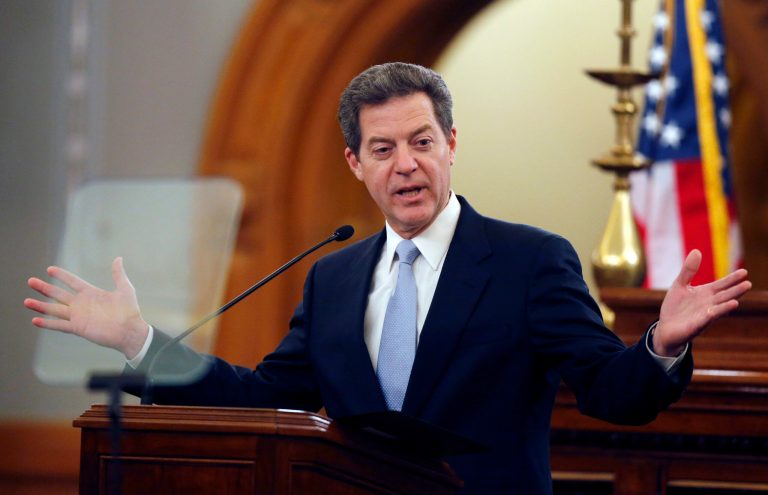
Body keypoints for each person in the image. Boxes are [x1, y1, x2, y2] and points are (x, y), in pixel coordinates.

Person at [25, 62, 751, 494]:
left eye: (422, 141)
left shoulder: (531, 260)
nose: (406, 163)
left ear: (452, 144)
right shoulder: (333, 278)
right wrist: (140, 340)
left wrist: (660, 343)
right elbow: (264, 397)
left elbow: (610, 392)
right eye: (383, 148)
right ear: (356, 163)